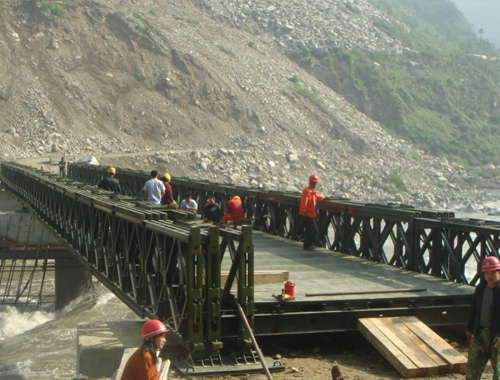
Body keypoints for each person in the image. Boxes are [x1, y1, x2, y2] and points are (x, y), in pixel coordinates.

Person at [466, 255, 500, 380]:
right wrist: (470, 328)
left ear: (499, 272)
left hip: (496, 338)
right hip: (480, 334)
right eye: (486, 273)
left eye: (492, 273)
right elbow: (474, 309)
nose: (489, 276)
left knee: (498, 371)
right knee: (472, 371)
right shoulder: (480, 289)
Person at [299, 174, 328, 250]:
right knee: (312, 230)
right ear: (310, 182)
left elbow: (316, 197)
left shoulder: (312, 191)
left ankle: (308, 245)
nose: (315, 184)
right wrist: (304, 211)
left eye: (316, 183)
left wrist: (324, 197)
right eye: (314, 182)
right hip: (307, 214)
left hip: (311, 214)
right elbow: (304, 202)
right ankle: (307, 245)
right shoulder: (307, 191)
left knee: (311, 230)